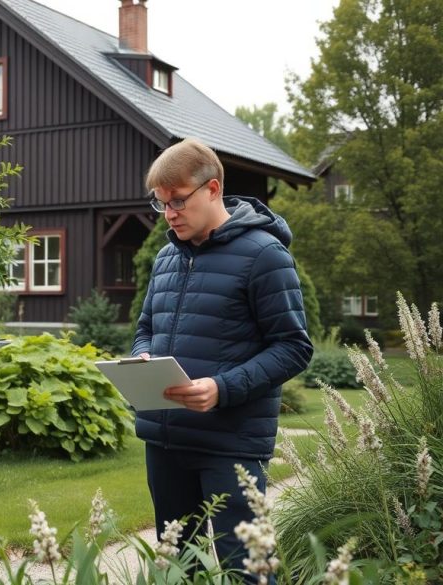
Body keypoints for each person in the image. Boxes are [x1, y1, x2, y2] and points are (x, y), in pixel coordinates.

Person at [131, 138, 313, 580]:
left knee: (246, 570)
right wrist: (141, 358)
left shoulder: (266, 256)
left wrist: (222, 388)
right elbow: (144, 330)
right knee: (178, 567)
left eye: (178, 201)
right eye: (161, 204)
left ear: (212, 189)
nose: (169, 213)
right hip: (166, 439)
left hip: (231, 444)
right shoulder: (166, 258)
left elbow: (294, 347)